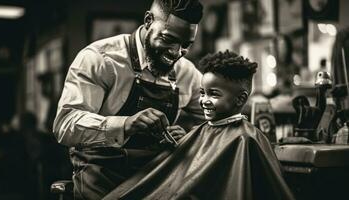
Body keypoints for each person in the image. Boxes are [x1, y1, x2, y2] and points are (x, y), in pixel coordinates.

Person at [53, 0, 204, 199]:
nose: (176, 53)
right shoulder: (100, 59)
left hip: (157, 175)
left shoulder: (187, 73)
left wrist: (189, 138)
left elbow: (217, 119)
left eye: (185, 45)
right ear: (148, 20)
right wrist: (124, 124)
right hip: (103, 176)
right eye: (168, 39)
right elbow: (65, 125)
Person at [104, 50, 295, 200]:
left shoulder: (245, 140)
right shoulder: (202, 131)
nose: (203, 100)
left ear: (241, 99)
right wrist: (185, 140)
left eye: (214, 94)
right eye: (202, 92)